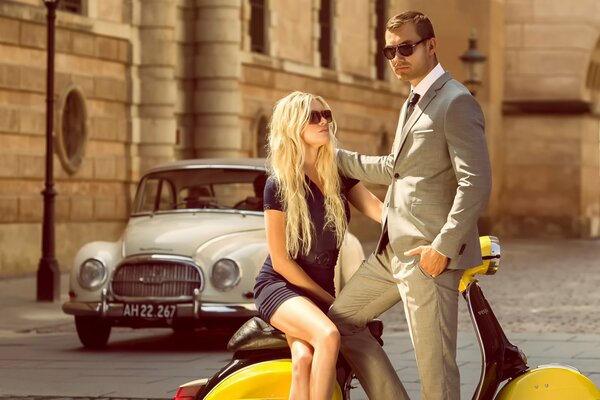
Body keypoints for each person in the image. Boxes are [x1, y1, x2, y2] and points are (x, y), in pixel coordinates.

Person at [328, 10, 492, 400]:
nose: (397, 58)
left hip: (427, 258)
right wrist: (332, 156)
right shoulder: (414, 100)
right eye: (389, 51)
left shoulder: (455, 102)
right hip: (391, 253)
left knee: (435, 376)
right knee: (341, 321)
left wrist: (442, 248)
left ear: (431, 46)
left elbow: (476, 183)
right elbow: (396, 169)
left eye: (406, 47)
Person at [253, 91, 384, 400]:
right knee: (327, 335)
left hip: (317, 290)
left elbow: (380, 210)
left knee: (303, 360)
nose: (324, 120)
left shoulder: (337, 173)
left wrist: (422, 230)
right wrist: (328, 300)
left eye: (327, 115)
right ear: (293, 125)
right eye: (314, 116)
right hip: (280, 287)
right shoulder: (279, 184)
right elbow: (282, 262)